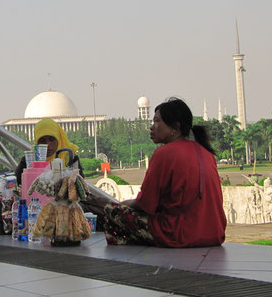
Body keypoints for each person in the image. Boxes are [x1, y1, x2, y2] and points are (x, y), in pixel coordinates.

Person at [104, 97, 226, 247]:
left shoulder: (164, 153)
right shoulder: (206, 153)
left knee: (111, 209)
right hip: (214, 233)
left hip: (180, 233)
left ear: (174, 127)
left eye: (157, 121)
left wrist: (124, 203)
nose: (152, 126)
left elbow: (145, 203)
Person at [15, 118, 84, 185]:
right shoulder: (28, 160)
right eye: (42, 141)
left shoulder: (70, 158)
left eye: (52, 139)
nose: (47, 145)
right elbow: (18, 183)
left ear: (59, 139)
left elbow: (80, 185)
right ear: (36, 142)